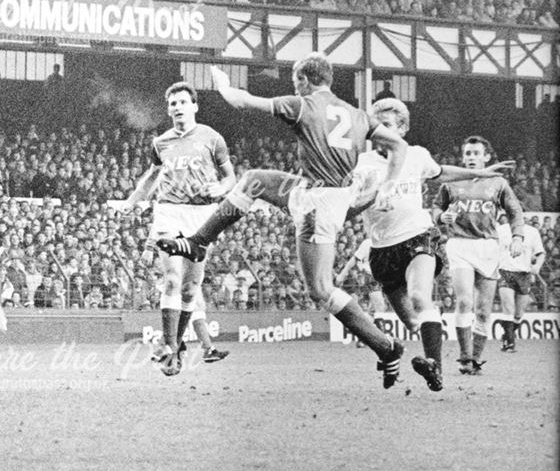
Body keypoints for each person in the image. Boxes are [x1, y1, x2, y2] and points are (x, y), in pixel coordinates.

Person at [157, 54, 409, 388]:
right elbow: (398, 145)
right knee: (253, 180)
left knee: (320, 289)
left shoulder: (303, 104)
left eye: (295, 81)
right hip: (316, 191)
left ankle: (386, 347)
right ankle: (197, 240)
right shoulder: (357, 114)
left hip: (320, 203)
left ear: (303, 79)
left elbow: (242, 101)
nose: (295, 86)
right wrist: (388, 184)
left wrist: (222, 84)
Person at [350, 99, 515, 391]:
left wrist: (484, 172)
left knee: (419, 296)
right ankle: (397, 351)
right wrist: (373, 196)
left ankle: (434, 366)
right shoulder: (362, 164)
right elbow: (353, 203)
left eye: (386, 126)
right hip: (381, 249)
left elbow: (442, 172)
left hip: (417, 237)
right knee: (413, 321)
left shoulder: (415, 155)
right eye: (374, 127)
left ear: (402, 128)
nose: (379, 132)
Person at [122, 81, 235, 376]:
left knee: (190, 289)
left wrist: (220, 188)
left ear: (194, 106)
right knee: (172, 279)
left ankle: (174, 343)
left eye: (183, 102)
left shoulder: (212, 138)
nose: (177, 107)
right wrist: (132, 200)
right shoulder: (161, 143)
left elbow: (230, 179)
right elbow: (152, 176)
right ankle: (170, 346)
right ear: (169, 109)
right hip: (170, 213)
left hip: (201, 216)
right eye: (173, 103)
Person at [432, 136, 524, 375]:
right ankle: (464, 357)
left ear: (486, 157)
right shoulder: (451, 182)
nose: (471, 157)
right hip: (460, 244)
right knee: (464, 301)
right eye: (468, 153)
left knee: (483, 310)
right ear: (463, 157)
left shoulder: (497, 183)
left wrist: (517, 237)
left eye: (476, 153)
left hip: (488, 247)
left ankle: (474, 359)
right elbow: (436, 207)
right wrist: (442, 218)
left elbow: (515, 211)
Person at [496, 215, 546, 352]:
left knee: (518, 314)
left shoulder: (532, 231)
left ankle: (507, 333)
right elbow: (492, 250)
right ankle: (509, 343)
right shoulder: (501, 230)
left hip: (524, 274)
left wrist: (537, 266)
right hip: (505, 271)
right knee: (508, 307)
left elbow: (541, 253)